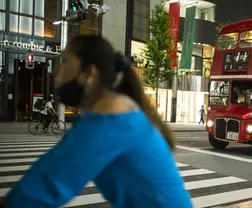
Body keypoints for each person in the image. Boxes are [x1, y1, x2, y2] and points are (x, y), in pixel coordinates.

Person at [0, 36, 192, 208]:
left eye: (65, 61)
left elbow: (46, 184)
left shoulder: (111, 115)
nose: (56, 70)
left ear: (88, 73)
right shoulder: (113, 110)